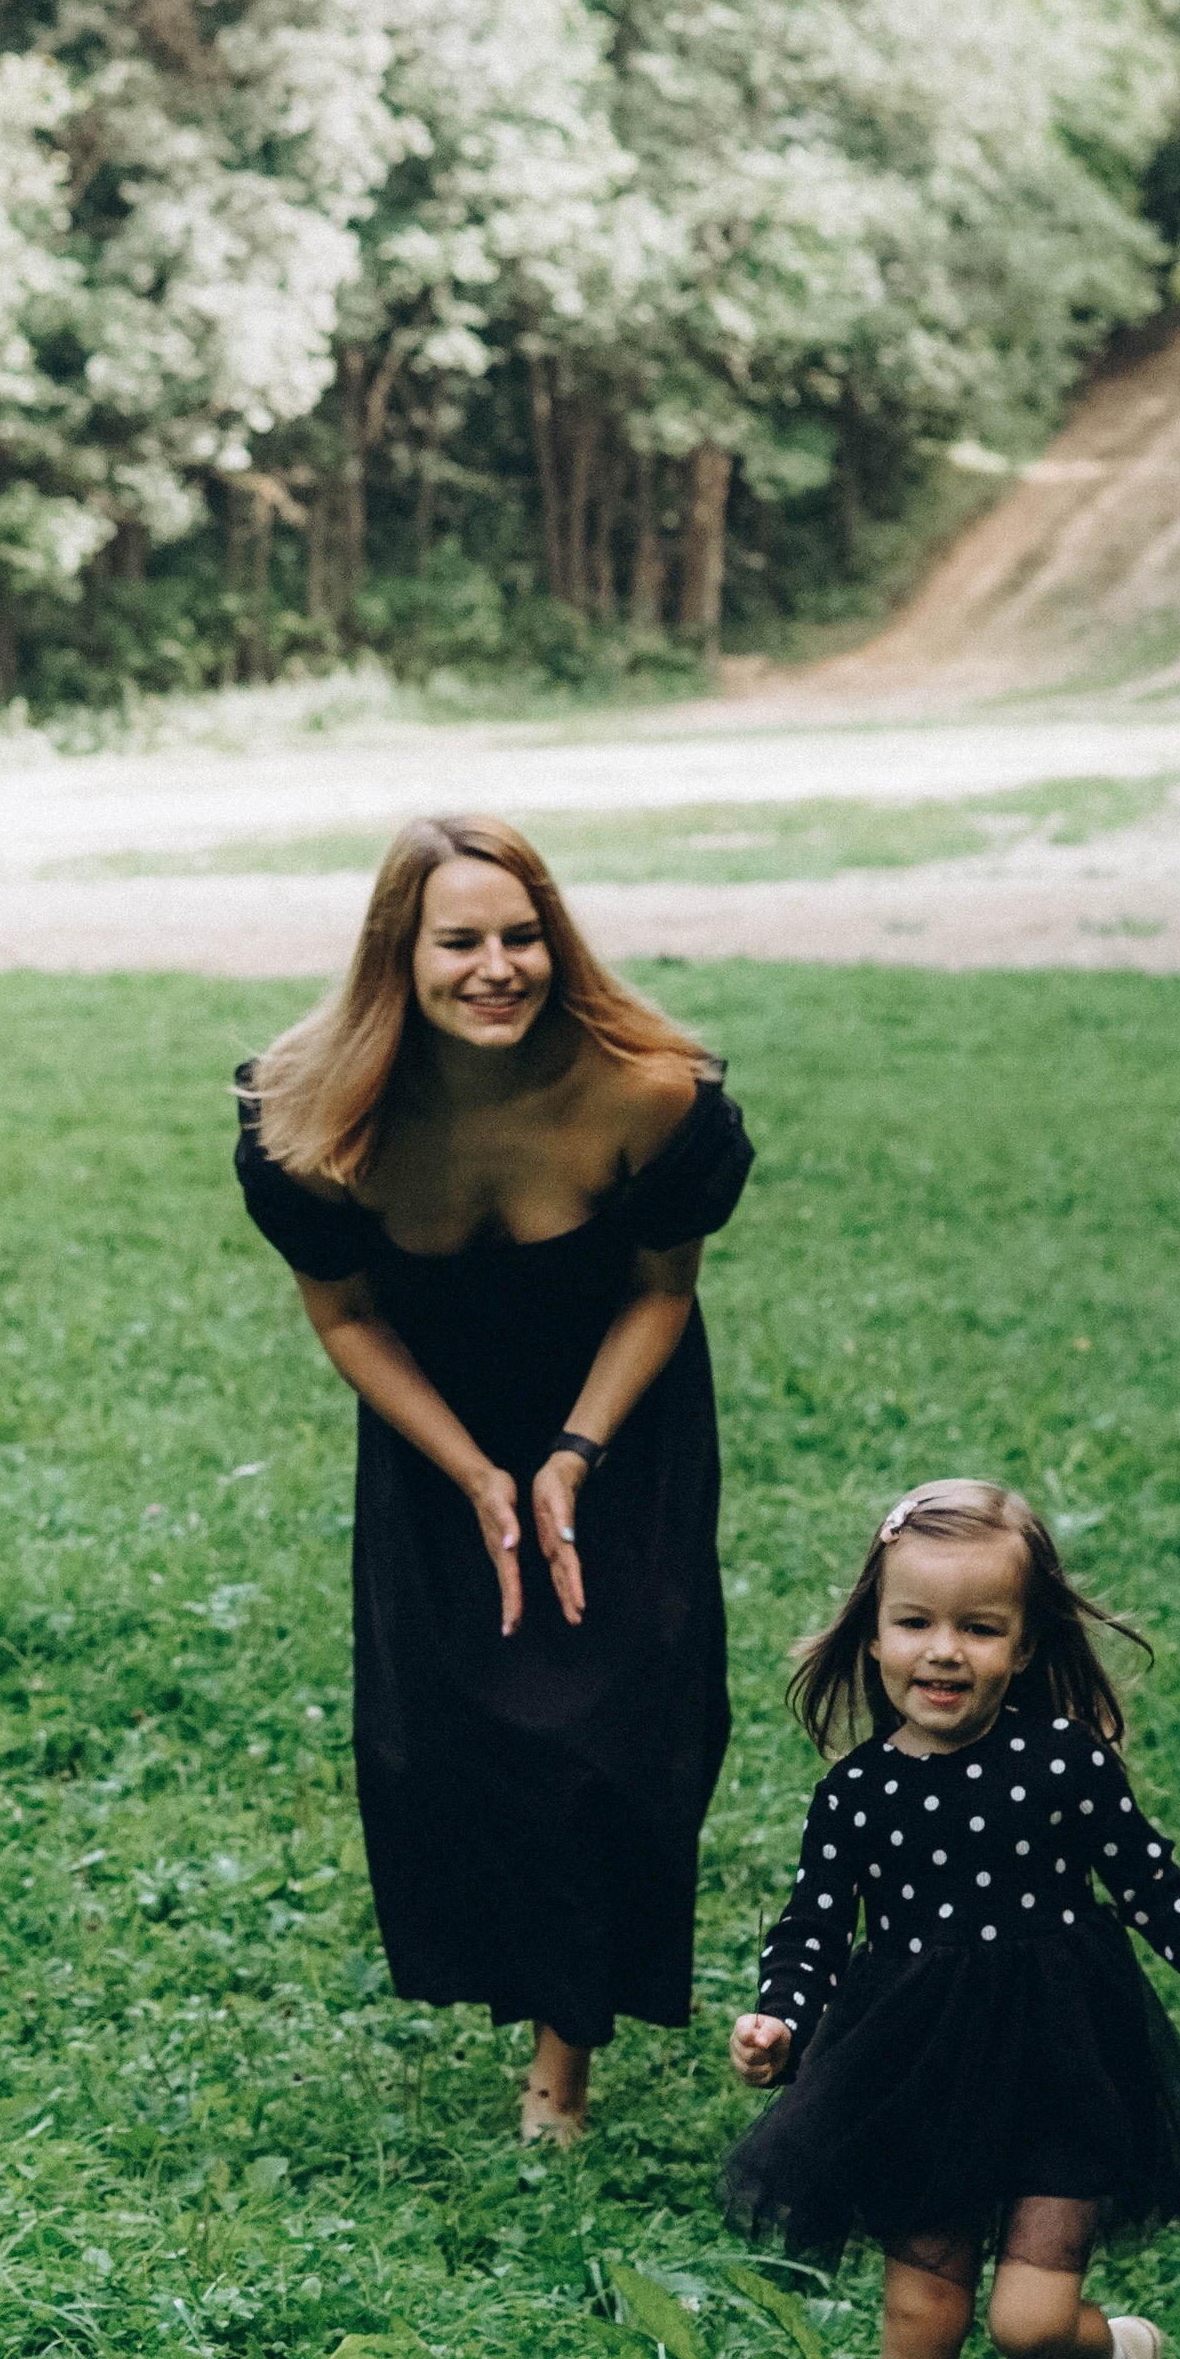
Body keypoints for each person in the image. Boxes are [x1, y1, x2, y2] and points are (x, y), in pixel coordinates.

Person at [234, 814, 753, 2142]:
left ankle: (560, 2071)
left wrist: (572, 1458)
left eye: (523, 936)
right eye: (459, 942)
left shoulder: (649, 1095)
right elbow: (347, 1315)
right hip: (435, 1430)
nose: (497, 967)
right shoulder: (308, 1113)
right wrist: (473, 1471)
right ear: (397, 957)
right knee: (453, 1739)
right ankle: (514, 1977)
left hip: (618, 1422)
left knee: (614, 1737)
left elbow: (661, 1292)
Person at [725, 1478, 1180, 2359]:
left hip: (1060, 2057)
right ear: (873, 1635)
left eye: (979, 1629)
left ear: (1024, 1646)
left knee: (1026, 2323)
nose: (944, 1652)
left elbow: (1149, 1882)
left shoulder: (1064, 1763)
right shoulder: (855, 1794)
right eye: (915, 1623)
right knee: (922, 2306)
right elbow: (813, 1926)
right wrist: (781, 2016)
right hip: (917, 2066)